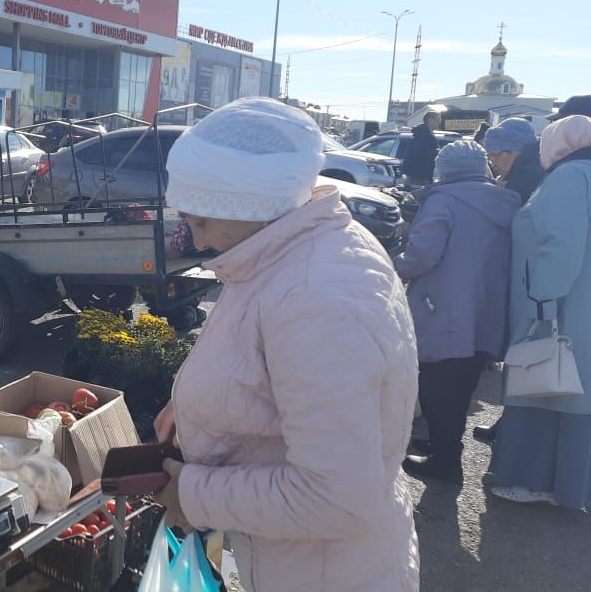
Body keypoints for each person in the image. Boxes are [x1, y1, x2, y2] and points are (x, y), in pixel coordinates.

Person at [152, 98, 420, 591]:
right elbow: (261, 363)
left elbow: (334, 497)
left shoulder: (316, 297)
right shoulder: (291, 245)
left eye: (202, 221)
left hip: (323, 574)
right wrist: (191, 408)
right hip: (298, 560)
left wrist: (192, 493)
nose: (196, 238)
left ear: (248, 203)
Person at [393, 141, 522, 483]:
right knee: (462, 386)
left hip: (444, 309)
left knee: (435, 386)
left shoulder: (443, 201)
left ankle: (446, 461)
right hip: (487, 311)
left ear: (445, 168)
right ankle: (443, 444)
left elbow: (422, 256)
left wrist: (395, 265)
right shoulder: (506, 201)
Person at [488, 114, 591, 510]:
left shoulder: (569, 177)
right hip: (586, 311)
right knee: (578, 397)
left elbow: (559, 247)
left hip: (558, 311)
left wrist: (541, 303)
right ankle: (571, 485)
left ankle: (531, 481)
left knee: (544, 389)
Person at [483, 118, 546, 204]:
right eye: (489, 158)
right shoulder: (536, 167)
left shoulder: (524, 180)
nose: (493, 163)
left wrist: (498, 193)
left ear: (516, 151)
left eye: (494, 155)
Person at [402, 111, 441, 186]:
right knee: (420, 195)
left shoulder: (428, 134)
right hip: (418, 175)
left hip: (426, 174)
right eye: (437, 120)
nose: (439, 123)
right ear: (430, 120)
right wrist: (436, 152)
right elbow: (419, 153)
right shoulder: (421, 135)